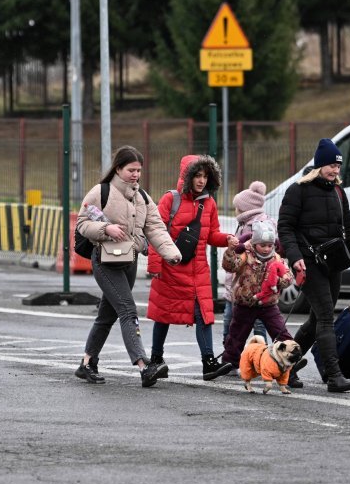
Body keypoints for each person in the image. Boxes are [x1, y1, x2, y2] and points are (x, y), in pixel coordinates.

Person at [74, 145, 182, 387]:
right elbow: (82, 223)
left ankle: (86, 363)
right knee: (128, 310)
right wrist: (105, 228)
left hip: (129, 260)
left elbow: (155, 228)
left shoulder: (142, 197)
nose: (135, 175)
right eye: (131, 170)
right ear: (118, 168)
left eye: (139, 171)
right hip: (105, 260)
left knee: (107, 314)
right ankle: (144, 366)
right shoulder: (100, 192)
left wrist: (171, 254)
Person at [278, 139, 350, 392]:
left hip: (333, 263)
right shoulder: (297, 190)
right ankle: (334, 375)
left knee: (315, 319)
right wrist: (294, 256)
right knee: (325, 318)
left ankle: (284, 366)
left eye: (338, 167)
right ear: (319, 165)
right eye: (331, 165)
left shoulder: (338, 192)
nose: (335, 171)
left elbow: (349, 232)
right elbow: (285, 227)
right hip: (309, 264)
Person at [147, 155, 238, 381]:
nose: (201, 181)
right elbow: (155, 233)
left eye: (205, 176)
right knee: (164, 314)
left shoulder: (209, 203)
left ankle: (208, 362)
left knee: (204, 315)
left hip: (198, 271)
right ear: (187, 176)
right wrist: (155, 264)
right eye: (197, 175)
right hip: (172, 268)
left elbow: (211, 235)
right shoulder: (171, 199)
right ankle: (156, 358)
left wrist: (227, 239)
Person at [221, 220, 297, 367]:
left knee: (280, 331)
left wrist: (280, 281)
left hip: (269, 304)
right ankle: (229, 361)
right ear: (254, 244)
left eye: (270, 245)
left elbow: (288, 277)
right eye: (263, 245)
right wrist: (231, 251)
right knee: (237, 335)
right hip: (246, 303)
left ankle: (291, 360)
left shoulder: (276, 259)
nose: (267, 249)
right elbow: (230, 266)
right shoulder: (245, 255)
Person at [222, 182, 271, 345]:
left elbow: (255, 251)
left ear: (245, 208)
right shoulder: (244, 223)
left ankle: (253, 352)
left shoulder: (259, 226)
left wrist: (238, 246)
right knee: (236, 318)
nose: (235, 210)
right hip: (241, 284)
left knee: (247, 319)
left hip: (251, 283)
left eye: (237, 207)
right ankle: (233, 350)